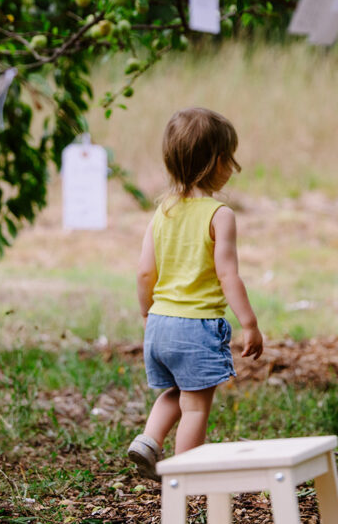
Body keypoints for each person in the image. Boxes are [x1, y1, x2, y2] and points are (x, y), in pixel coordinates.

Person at [127, 107, 264, 481]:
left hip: (159, 323)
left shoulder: (162, 211)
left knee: (174, 390)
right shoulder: (219, 214)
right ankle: (183, 476)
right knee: (196, 407)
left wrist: (147, 314)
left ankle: (149, 440)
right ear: (219, 162)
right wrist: (249, 323)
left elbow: (143, 271)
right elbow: (228, 275)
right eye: (231, 158)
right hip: (195, 327)